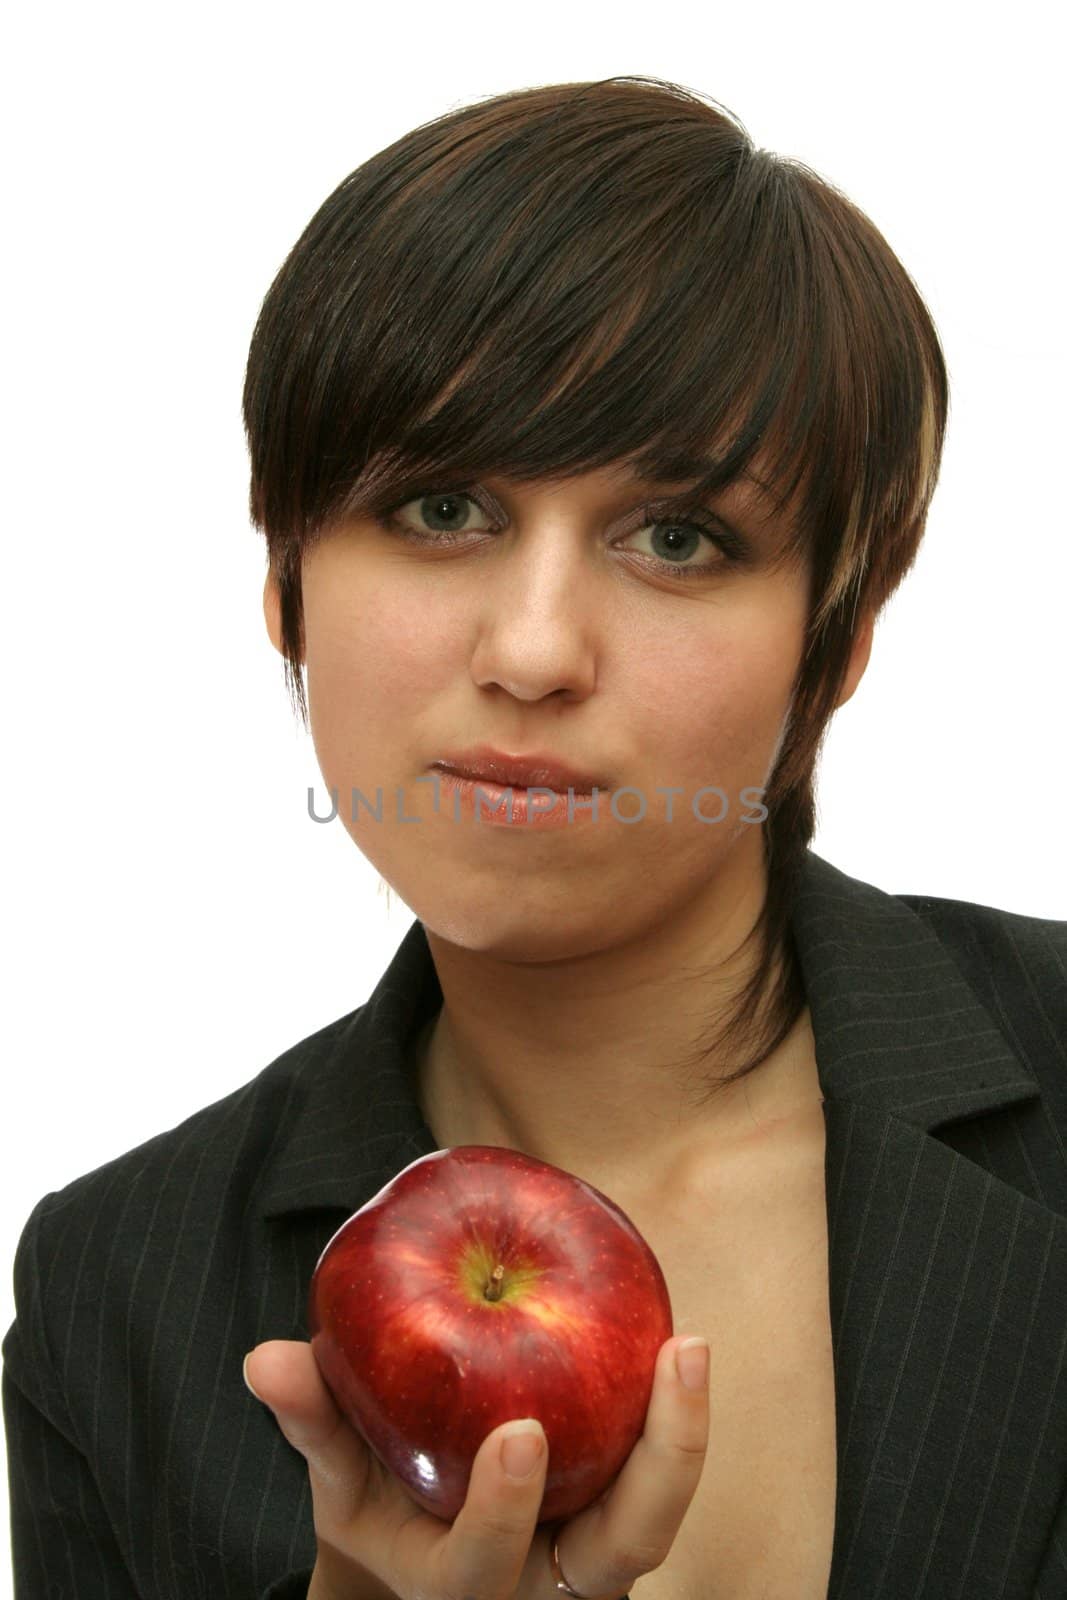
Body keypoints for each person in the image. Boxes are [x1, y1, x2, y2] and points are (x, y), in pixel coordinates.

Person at [4, 72, 1066, 1600]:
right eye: (441, 508)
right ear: (287, 586)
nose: (537, 649)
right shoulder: (120, 1297)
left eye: (679, 538)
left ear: (832, 644)